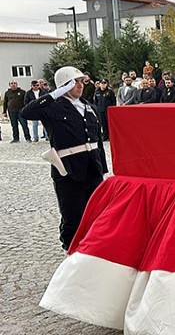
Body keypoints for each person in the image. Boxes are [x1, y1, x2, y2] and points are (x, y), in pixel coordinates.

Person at [20, 66, 108, 250]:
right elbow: (26, 113)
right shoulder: (52, 107)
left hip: (92, 168)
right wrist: (54, 94)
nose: (79, 86)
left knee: (95, 212)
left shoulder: (89, 107)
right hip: (68, 169)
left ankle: (91, 249)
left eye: (80, 82)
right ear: (63, 85)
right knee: (72, 215)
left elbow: (97, 141)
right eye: (74, 82)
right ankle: (70, 248)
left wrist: (102, 169)